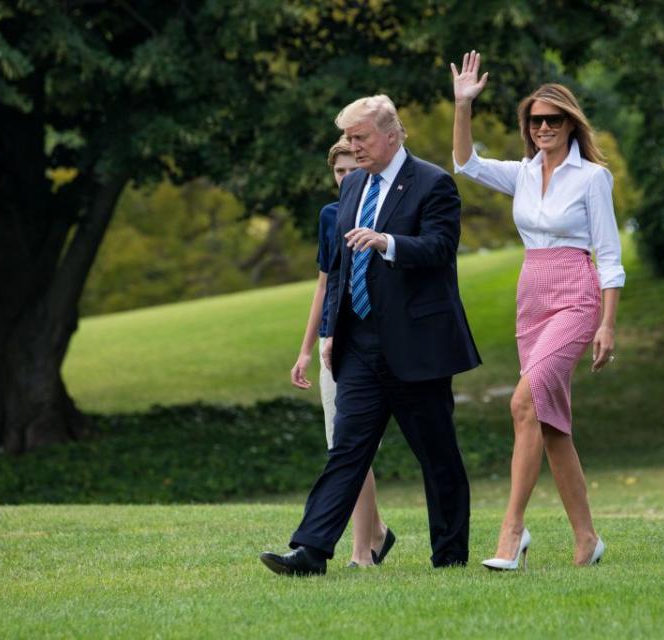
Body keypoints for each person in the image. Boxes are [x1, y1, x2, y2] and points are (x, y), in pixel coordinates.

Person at [260, 94, 481, 576]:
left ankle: (449, 555)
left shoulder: (433, 183)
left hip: (416, 345)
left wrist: (388, 242)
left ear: (391, 133)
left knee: (437, 453)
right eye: (348, 138)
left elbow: (440, 249)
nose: (351, 147)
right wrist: (331, 329)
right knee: (347, 447)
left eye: (359, 137)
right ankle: (311, 552)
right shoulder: (353, 184)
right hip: (358, 342)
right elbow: (339, 266)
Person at [450, 51, 624, 569]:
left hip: (576, 294)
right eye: (535, 120)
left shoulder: (593, 178)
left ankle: (511, 533)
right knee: (550, 426)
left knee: (524, 403)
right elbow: (466, 163)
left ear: (570, 123)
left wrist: (608, 324)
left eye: (553, 119)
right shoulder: (522, 174)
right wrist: (463, 106)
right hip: (532, 296)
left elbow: (609, 256)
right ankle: (587, 539)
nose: (543, 127)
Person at [289, 135, 394, 568]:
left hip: (372, 341)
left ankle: (363, 551)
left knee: (352, 444)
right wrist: (305, 351)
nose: (346, 177)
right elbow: (323, 284)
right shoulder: (330, 216)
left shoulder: (383, 213)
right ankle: (377, 533)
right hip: (334, 340)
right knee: (342, 443)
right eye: (339, 171)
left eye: (353, 169)